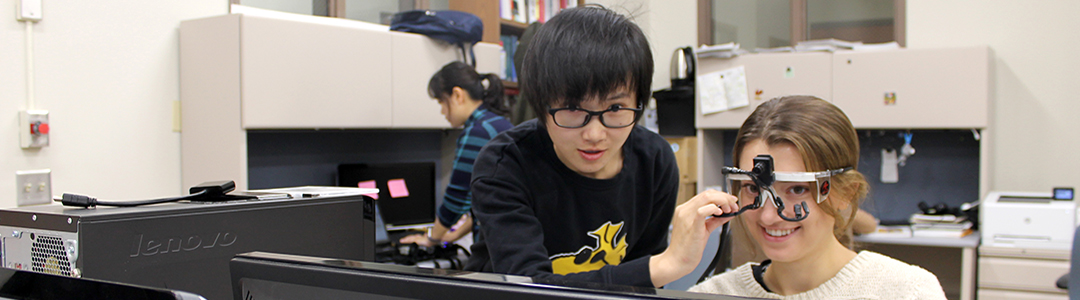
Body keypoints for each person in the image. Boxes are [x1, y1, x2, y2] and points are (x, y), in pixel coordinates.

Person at [465, 5, 738, 288]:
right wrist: (668, 264)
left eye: (616, 107)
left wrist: (659, 267)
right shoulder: (505, 164)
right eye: (572, 108)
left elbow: (640, 284)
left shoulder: (654, 160)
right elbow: (528, 288)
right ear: (541, 106)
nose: (595, 134)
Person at [690, 96, 946, 299]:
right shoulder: (712, 295)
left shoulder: (907, 292)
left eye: (798, 189)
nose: (769, 215)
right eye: (753, 189)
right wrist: (667, 266)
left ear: (847, 192)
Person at [399, 61, 514, 247]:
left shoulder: (478, 132)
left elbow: (457, 196)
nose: (442, 112)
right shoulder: (496, 123)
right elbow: (486, 201)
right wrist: (454, 235)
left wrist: (432, 239)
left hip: (500, 242)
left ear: (457, 95)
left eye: (441, 103)